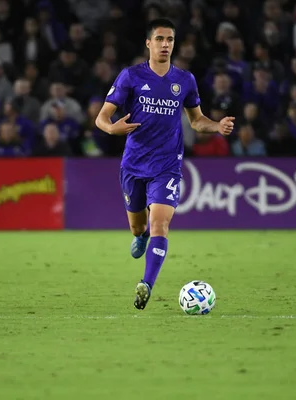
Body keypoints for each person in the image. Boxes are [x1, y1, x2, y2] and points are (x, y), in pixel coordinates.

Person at [95, 18, 235, 310]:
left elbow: (197, 121)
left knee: (161, 223)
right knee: (138, 227)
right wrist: (112, 129)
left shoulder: (184, 80)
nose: (165, 45)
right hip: (133, 165)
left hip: (167, 165)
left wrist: (217, 125)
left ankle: (146, 284)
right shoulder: (130, 76)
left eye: (170, 40)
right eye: (159, 39)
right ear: (148, 43)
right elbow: (102, 117)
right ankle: (141, 235)